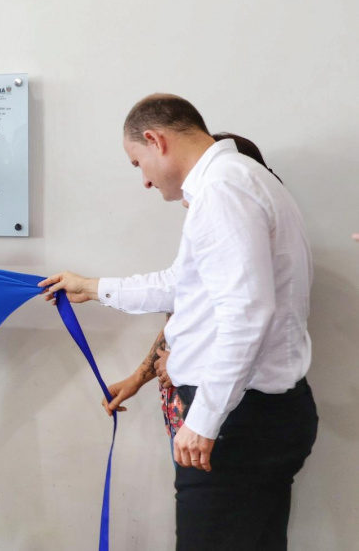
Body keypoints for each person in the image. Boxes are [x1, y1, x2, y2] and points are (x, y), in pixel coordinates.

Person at [40, 94, 317, 550]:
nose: (144, 181)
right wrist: (92, 287)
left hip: (237, 422)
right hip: (259, 415)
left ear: (155, 140)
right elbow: (185, 285)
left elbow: (247, 312)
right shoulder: (244, 180)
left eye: (137, 163)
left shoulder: (222, 189)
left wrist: (206, 419)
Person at [101, 133, 282, 446]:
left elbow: (249, 327)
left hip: (223, 419)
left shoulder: (254, 244)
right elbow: (180, 310)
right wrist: (138, 378)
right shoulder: (211, 233)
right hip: (190, 415)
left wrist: (186, 361)